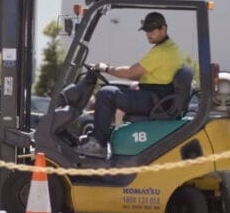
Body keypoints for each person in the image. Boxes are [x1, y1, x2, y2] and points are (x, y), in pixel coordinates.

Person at [76, 12, 183, 158]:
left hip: (155, 99)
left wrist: (106, 68)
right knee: (110, 88)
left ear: (163, 29)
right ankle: (99, 137)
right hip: (157, 95)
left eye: (152, 31)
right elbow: (149, 73)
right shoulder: (170, 48)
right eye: (146, 31)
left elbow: (131, 72)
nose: (148, 35)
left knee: (106, 94)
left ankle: (98, 144)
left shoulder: (163, 51)